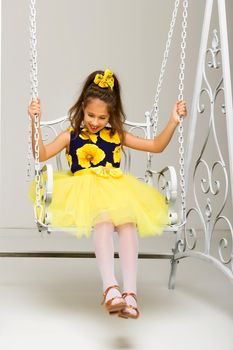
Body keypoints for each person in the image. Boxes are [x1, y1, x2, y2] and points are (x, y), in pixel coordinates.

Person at [28, 68, 187, 320]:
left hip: (117, 190)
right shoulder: (70, 136)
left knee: (127, 225)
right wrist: (35, 122)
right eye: (91, 115)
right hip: (84, 191)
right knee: (102, 222)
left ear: (110, 115)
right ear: (82, 107)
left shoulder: (117, 135)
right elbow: (40, 154)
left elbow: (156, 145)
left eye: (102, 117)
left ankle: (131, 295)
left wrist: (173, 120)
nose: (94, 122)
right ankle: (111, 289)